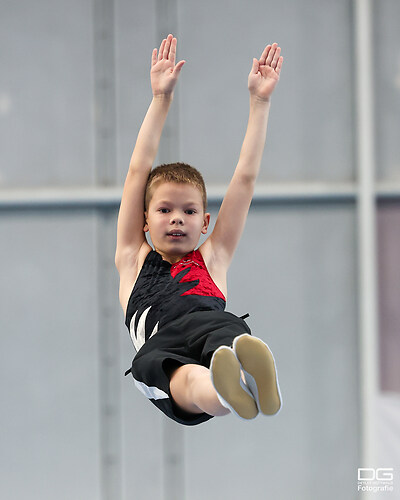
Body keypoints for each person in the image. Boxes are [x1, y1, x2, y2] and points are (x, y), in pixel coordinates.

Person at [115, 34, 283, 426]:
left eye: (190, 211)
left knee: (224, 346)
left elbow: (244, 180)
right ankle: (230, 387)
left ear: (206, 223)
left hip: (214, 326)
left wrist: (260, 103)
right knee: (189, 378)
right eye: (164, 209)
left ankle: (241, 377)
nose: (177, 218)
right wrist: (160, 100)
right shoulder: (132, 257)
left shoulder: (213, 256)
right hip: (161, 345)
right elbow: (137, 172)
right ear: (143, 220)